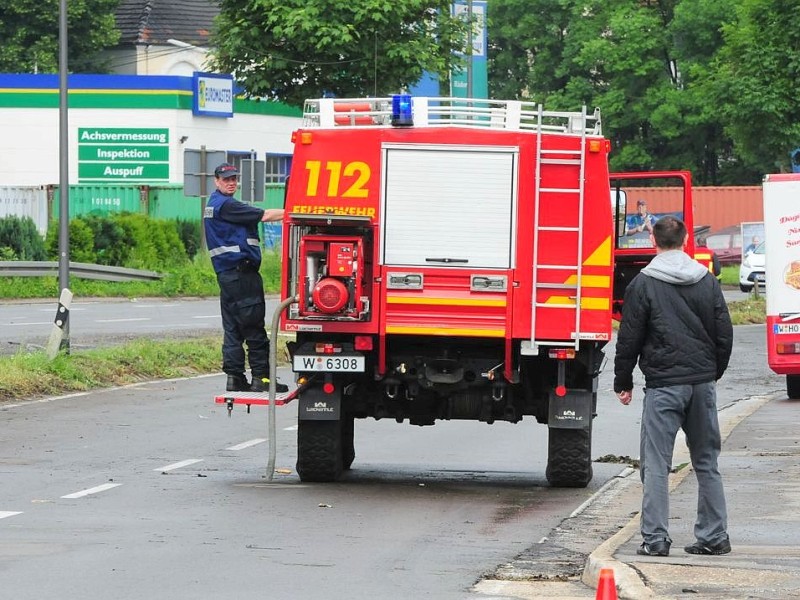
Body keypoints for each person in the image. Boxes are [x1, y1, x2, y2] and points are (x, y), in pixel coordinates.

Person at [614, 215, 734, 557]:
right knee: (707, 462)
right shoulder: (706, 280)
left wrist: (623, 382)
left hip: (664, 385)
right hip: (701, 383)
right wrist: (712, 373)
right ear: (685, 240)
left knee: (656, 464)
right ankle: (714, 537)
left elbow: (629, 338)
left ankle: (655, 540)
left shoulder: (643, 284)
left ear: (654, 239)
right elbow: (723, 334)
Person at [204, 162, 288, 393]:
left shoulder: (212, 203)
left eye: (234, 179)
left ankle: (235, 377)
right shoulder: (227, 205)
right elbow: (267, 215)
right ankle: (261, 379)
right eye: (226, 179)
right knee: (254, 327)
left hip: (227, 275)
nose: (231, 182)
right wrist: (299, 209)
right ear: (216, 181)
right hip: (243, 274)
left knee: (232, 328)